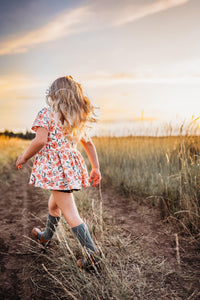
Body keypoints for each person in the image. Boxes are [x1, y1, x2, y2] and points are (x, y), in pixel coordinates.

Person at [16, 75, 102, 269]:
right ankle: (46, 237)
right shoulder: (75, 118)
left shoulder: (46, 113)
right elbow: (88, 143)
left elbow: (40, 140)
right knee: (54, 206)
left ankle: (92, 253)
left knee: (70, 212)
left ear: (53, 95)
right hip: (68, 169)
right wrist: (95, 167)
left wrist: (24, 157)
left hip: (57, 171)